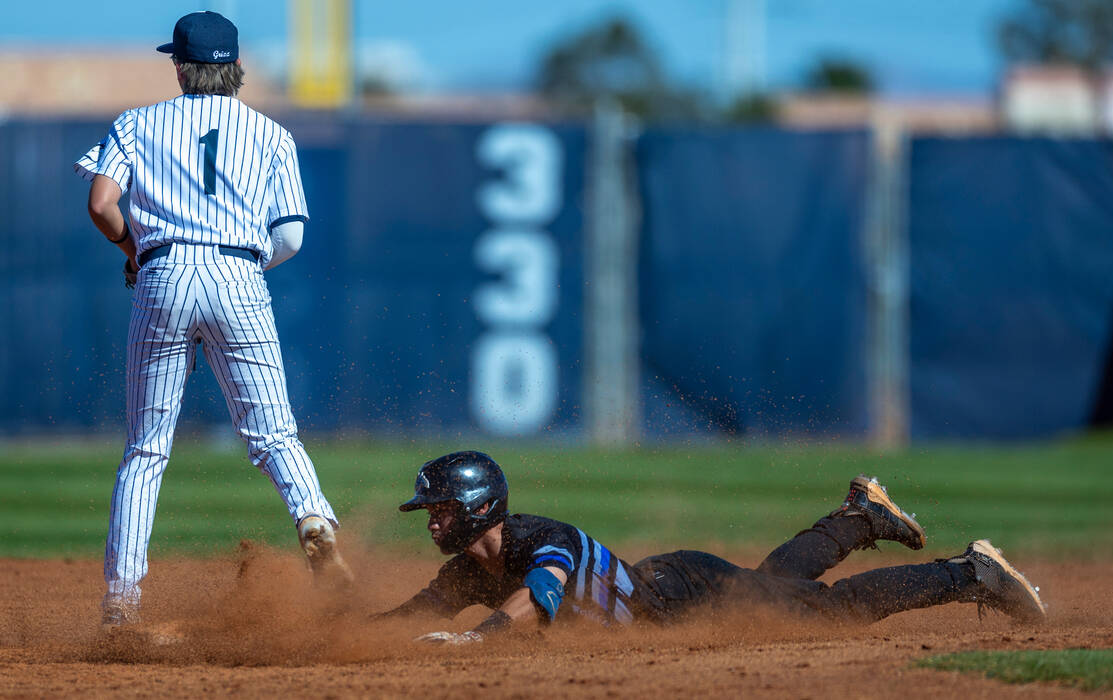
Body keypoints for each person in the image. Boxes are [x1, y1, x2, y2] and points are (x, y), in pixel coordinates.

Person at [73, 10, 352, 629]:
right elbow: (293, 239)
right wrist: (242, 271)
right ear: (236, 68)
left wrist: (134, 251)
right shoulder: (273, 134)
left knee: (146, 450)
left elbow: (101, 203)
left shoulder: (138, 122)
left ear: (179, 66)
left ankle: (122, 603)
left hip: (163, 270)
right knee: (274, 434)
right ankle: (311, 517)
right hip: (239, 274)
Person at [372, 451, 1046, 642]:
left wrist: (483, 636)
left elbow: (541, 594)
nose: (430, 522)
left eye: (439, 510)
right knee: (776, 589)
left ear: (480, 507)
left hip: (690, 593)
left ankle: (968, 573)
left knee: (829, 613)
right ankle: (859, 517)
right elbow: (413, 616)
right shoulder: (468, 571)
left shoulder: (540, 541)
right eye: (427, 512)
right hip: (677, 589)